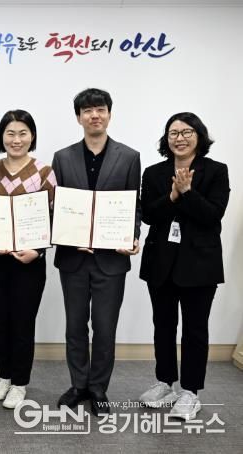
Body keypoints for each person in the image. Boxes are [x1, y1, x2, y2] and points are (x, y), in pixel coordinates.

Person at [52, 88, 141, 415]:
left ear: (109, 114)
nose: (94, 115)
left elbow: (134, 204)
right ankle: (79, 385)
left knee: (104, 328)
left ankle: (99, 388)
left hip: (111, 259)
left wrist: (133, 235)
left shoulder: (129, 156)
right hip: (73, 257)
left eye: (100, 109)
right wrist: (62, 234)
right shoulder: (62, 157)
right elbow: (57, 206)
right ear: (79, 117)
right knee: (75, 326)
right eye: (87, 111)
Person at [138, 112, 229, 420]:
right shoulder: (153, 173)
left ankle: (190, 392)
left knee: (195, 330)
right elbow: (149, 215)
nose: (180, 138)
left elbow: (212, 215)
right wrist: (173, 195)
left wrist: (187, 193)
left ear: (199, 136)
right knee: (163, 326)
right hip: (160, 263)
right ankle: (165, 383)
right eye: (173, 133)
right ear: (166, 139)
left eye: (187, 132)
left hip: (200, 265)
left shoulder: (216, 171)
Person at [0, 110, 56, 409]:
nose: (16, 139)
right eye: (10, 133)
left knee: (23, 322)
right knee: (0, 320)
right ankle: (4, 376)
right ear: (2, 136)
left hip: (30, 261)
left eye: (23, 133)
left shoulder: (44, 172)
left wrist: (38, 250)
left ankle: (20, 382)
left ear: (32, 136)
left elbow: (54, 217)